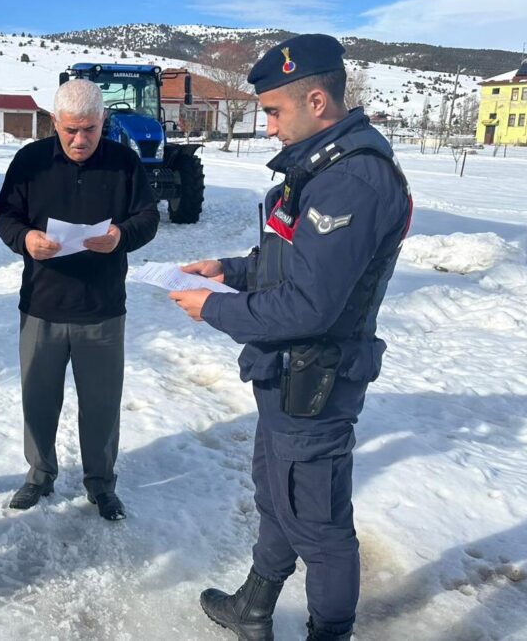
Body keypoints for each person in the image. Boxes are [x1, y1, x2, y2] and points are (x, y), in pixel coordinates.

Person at [170, 34, 412, 641]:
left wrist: (215, 310)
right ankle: (255, 606)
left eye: (275, 112)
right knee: (278, 495)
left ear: (317, 100)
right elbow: (291, 262)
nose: (270, 126)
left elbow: (308, 304)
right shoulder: (317, 168)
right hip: (287, 378)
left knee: (321, 527)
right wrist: (229, 270)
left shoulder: (352, 180)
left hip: (317, 379)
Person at [0, 79, 159, 521]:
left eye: (89, 129)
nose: (80, 140)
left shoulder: (123, 163)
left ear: (103, 121)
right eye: (70, 130)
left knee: (102, 404)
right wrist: (25, 238)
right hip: (41, 307)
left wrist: (121, 236)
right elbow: (3, 215)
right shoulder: (30, 162)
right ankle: (39, 475)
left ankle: (101, 484)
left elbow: (148, 217)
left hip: (102, 309)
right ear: (55, 123)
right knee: (39, 399)